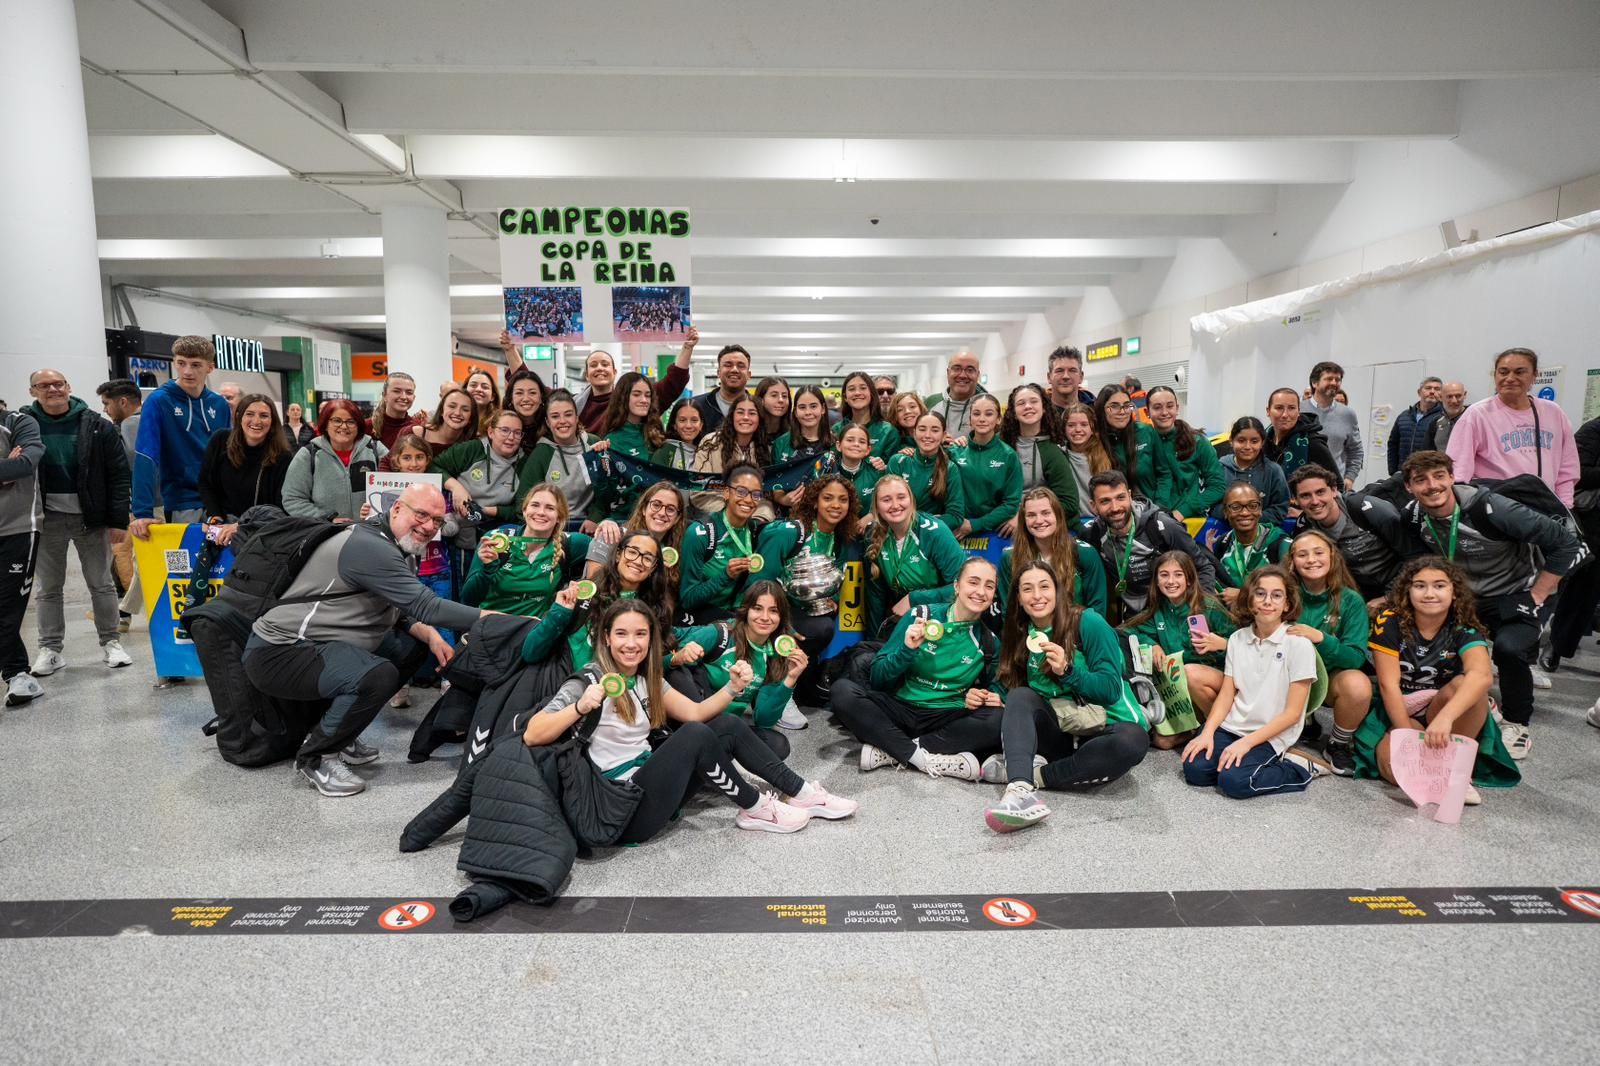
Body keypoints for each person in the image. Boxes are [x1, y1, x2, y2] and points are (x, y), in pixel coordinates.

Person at [517, 600, 851, 839]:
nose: (631, 644)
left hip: (649, 784)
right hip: (620, 809)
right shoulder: (588, 680)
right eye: (621, 634)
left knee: (726, 725)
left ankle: (802, 791)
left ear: (650, 639)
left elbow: (694, 712)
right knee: (694, 736)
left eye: (640, 635)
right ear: (606, 637)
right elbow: (533, 735)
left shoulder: (646, 677)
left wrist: (733, 689)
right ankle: (756, 807)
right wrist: (579, 708)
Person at [243, 483, 482, 796]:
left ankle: (341, 730)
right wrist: (497, 620)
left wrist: (431, 635)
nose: (428, 526)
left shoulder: (396, 544)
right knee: (378, 675)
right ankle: (316, 756)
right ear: (397, 509)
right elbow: (428, 606)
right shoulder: (369, 546)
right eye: (421, 515)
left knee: (410, 647)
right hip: (279, 651)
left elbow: (401, 611)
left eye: (436, 522)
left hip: (315, 644)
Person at [1400, 449, 1585, 760]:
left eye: (1439, 476)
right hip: (1465, 597)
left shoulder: (1492, 508)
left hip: (1516, 592)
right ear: (1409, 487)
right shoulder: (1413, 516)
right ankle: (1481, 702)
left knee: (1509, 649)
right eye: (1421, 480)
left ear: (1452, 477)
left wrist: (1538, 595)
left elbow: (1567, 543)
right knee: (1439, 646)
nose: (1431, 485)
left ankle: (1517, 723)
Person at [982, 560, 1150, 830]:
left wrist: (1068, 671)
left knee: (1132, 742)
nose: (1037, 596)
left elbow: (1109, 690)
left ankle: (1034, 775)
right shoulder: (1020, 634)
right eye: (1027, 589)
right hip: (1062, 730)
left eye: (1044, 586)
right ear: (1019, 600)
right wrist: (989, 695)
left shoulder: (1088, 622)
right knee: (1020, 697)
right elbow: (1012, 684)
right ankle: (1020, 790)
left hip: (1105, 729)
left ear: (1058, 591)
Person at [1353, 556, 1518, 800]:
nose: (1429, 593)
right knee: (1394, 772)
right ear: (1407, 591)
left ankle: (1453, 764)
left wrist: (1445, 719)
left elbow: (1482, 675)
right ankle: (1440, 773)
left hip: (1442, 707)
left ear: (1454, 592)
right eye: (1420, 585)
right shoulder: (1389, 620)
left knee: (1469, 686)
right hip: (1401, 706)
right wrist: (1405, 736)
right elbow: (1389, 684)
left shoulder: (1463, 626)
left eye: (1439, 585)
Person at [832, 557, 1003, 780]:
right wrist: (907, 649)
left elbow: (996, 688)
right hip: (899, 707)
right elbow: (878, 678)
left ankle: (892, 751)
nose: (980, 591)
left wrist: (984, 696)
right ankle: (923, 756)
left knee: (998, 718)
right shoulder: (920, 615)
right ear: (956, 585)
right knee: (842, 691)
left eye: (989, 586)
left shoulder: (989, 643)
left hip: (944, 715)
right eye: (973, 582)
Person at [1180, 567, 1326, 798]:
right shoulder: (1238, 639)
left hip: (1270, 733)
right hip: (1233, 726)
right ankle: (1240, 755)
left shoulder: (1298, 644)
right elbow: (1227, 694)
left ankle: (1298, 767)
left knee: (1235, 782)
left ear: (1287, 604)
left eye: (1277, 595)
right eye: (1260, 594)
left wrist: (1247, 743)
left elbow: (1292, 713)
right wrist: (1207, 732)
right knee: (1195, 770)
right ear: (1250, 599)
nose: (1267, 601)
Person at [23, 369, 132, 675]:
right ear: (33, 392)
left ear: (69, 386)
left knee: (102, 584)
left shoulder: (97, 425)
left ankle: (111, 643)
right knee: (48, 588)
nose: (53, 389)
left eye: (58, 383)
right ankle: (50, 649)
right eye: (44, 386)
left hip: (92, 519)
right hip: (46, 520)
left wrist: (117, 519)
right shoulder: (24, 426)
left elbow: (119, 475)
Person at [751, 474, 860, 712]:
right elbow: (758, 584)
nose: (836, 505)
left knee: (825, 622)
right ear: (814, 501)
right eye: (828, 498)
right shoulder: (789, 532)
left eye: (843, 500)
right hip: (766, 612)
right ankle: (774, 687)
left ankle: (802, 686)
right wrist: (782, 622)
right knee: (821, 629)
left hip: (802, 609)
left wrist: (833, 601)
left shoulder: (841, 540)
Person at [519, 531, 679, 686]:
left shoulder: (655, 610)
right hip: (564, 686)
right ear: (618, 555)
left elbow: (650, 666)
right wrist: (560, 612)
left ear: (653, 568)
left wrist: (673, 660)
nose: (638, 561)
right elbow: (531, 653)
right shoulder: (584, 593)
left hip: (615, 695)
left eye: (648, 558)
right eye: (632, 552)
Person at [671, 580, 811, 755]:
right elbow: (673, 665)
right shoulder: (720, 634)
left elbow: (763, 720)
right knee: (682, 673)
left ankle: (718, 753)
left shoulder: (776, 654)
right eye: (757, 608)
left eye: (773, 611)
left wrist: (790, 679)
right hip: (695, 719)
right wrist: (681, 656)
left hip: (727, 727)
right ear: (746, 610)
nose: (765, 617)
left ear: (782, 617)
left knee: (778, 745)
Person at [1121, 551, 1233, 750]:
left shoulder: (1209, 607)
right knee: (1162, 742)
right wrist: (1152, 644)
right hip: (1181, 691)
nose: (1171, 581)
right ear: (1156, 580)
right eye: (1164, 575)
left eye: (1178, 574)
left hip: (1220, 684)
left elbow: (1246, 645)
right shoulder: (1160, 609)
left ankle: (1224, 731)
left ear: (1189, 579)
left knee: (1191, 672)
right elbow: (1129, 630)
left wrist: (1222, 644)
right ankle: (1196, 728)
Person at [1080, 470, 1218, 624]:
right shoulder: (1093, 535)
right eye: (1105, 501)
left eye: (1120, 498)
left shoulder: (1162, 526)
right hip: (1136, 618)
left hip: (1175, 613)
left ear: (1130, 496)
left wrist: (1198, 615)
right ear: (1093, 506)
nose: (1115, 507)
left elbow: (1204, 568)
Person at [1285, 530, 1372, 775]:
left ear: (1333, 556)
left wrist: (1322, 639)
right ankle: (1299, 721)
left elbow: (1355, 658)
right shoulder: (1283, 594)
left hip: (1329, 678)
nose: (1311, 559)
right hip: (1285, 677)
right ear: (1292, 561)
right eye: (1302, 554)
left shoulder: (1351, 601)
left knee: (1357, 684)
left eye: (1318, 552)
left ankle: (1338, 743)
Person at [1445, 347, 1578, 505]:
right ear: (1494, 375)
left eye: (1519, 372)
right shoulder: (1476, 414)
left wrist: (1566, 506)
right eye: (1503, 372)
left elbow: (1567, 469)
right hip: (1498, 509)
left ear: (1534, 376)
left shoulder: (1554, 413)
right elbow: (1458, 471)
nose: (1510, 378)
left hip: (1547, 508)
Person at [130, 335, 230, 539]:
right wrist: (142, 512)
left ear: (209, 367)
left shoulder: (219, 405)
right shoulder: (158, 401)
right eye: (181, 363)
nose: (187, 371)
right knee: (187, 568)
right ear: (174, 362)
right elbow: (145, 455)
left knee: (223, 568)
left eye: (195, 365)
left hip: (221, 503)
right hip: (182, 501)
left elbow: (229, 456)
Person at [383, 433, 456, 708]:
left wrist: (433, 522)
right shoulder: (389, 492)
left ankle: (450, 680)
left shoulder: (438, 492)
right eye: (407, 457)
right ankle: (400, 684)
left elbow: (452, 527)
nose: (413, 463)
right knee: (399, 630)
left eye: (419, 457)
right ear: (396, 460)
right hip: (401, 572)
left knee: (444, 627)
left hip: (436, 569)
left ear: (428, 459)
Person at [461, 482, 591, 619]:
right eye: (535, 505)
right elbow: (468, 600)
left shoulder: (568, 543)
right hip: (491, 630)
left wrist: (608, 523)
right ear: (524, 511)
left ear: (559, 517)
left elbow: (603, 546)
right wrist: (487, 569)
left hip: (532, 634)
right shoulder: (496, 539)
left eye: (550, 508)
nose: (541, 512)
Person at [863, 474, 966, 636]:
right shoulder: (872, 535)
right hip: (904, 621)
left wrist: (915, 599)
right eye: (886, 500)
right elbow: (876, 597)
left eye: (901, 497)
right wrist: (873, 641)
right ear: (876, 506)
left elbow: (962, 588)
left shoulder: (934, 532)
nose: (895, 505)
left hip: (942, 618)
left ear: (911, 499)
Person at [1289, 464, 1406, 607]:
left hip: (1399, 585)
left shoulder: (1367, 509)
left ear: (1333, 490)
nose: (1314, 501)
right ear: (1295, 500)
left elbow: (1415, 555)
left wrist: (1390, 597)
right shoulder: (1304, 526)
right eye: (1305, 496)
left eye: (1320, 492)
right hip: (1354, 593)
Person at [434, 409, 528, 565]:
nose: (511, 437)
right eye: (504, 430)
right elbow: (434, 466)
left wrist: (489, 510)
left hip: (500, 532)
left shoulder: (524, 463)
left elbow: (522, 509)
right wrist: (456, 487)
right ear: (491, 432)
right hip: (460, 530)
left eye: (517, 433)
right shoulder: (472, 449)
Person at [998, 487, 1107, 620]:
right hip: (1030, 635)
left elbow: (1097, 610)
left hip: (1075, 634)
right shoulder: (1009, 558)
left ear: (1058, 515)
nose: (1039, 520)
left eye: (1046, 513)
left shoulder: (1085, 553)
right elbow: (1008, 613)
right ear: (1023, 520)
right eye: (1031, 515)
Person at [198, 394, 293, 543]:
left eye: (264, 416)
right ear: (238, 416)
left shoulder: (283, 457)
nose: (256, 421)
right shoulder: (220, 440)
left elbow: (278, 508)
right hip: (219, 523)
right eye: (249, 414)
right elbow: (206, 483)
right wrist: (215, 516)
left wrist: (239, 526)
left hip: (257, 531)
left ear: (272, 421)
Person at [1547, 413, 1600, 672]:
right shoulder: (1593, 431)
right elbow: (1578, 474)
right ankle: (1556, 646)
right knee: (1582, 590)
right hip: (1594, 524)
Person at [680, 464, 765, 623]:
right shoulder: (700, 533)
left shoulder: (755, 531)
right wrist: (725, 576)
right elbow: (688, 599)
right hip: (703, 616)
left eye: (756, 494)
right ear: (726, 492)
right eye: (741, 491)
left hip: (739, 612)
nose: (748, 499)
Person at [0, 407, 43, 706]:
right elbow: (11, 468)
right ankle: (18, 673)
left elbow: (25, 464)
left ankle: (17, 673)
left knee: (7, 610)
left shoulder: (18, 422)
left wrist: (13, 468)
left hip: (17, 530)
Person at [283, 399, 386, 523]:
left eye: (351, 421)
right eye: (336, 420)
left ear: (358, 425)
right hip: (327, 534)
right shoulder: (309, 455)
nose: (344, 426)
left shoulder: (375, 449)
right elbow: (292, 499)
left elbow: (402, 480)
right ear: (326, 424)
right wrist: (325, 518)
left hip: (371, 532)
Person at [95, 378, 143, 629]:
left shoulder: (131, 424)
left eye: (106, 403)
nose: (105, 409)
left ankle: (124, 610)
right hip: (141, 505)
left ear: (123, 402)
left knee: (138, 560)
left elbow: (133, 462)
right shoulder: (145, 421)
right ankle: (123, 610)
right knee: (131, 559)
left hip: (143, 505)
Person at [586, 482, 690, 595]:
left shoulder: (678, 550)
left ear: (677, 518)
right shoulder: (609, 536)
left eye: (670, 509)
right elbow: (594, 591)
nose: (662, 513)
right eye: (656, 505)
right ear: (644, 508)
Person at [516, 390, 598, 532]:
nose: (562, 421)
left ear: (577, 418)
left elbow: (605, 491)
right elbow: (524, 501)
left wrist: (595, 517)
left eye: (568, 414)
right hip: (552, 528)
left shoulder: (594, 444)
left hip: (589, 526)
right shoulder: (542, 453)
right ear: (548, 422)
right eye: (555, 416)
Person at [1000, 383, 1076, 529]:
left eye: (1034, 401)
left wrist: (1024, 518)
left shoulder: (1052, 452)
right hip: (1000, 525)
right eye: (1021, 403)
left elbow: (1069, 503)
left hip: (1040, 527)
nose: (1028, 406)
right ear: (1013, 413)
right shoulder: (999, 445)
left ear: (1044, 409)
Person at [1147, 385, 1226, 522]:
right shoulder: (1142, 444)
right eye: (1157, 407)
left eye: (1170, 406)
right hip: (1151, 520)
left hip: (1189, 521)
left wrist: (1184, 510)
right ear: (1147, 411)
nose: (1164, 412)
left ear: (1177, 408)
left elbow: (1217, 487)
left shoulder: (1198, 442)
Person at [693, 393, 776, 521]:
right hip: (715, 512)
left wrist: (757, 519)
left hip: (753, 513)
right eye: (740, 412)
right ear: (732, 417)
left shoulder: (767, 449)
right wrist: (732, 512)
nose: (746, 417)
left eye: (752, 413)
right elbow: (698, 492)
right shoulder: (710, 443)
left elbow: (766, 498)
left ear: (760, 419)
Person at [596, 371, 666, 519]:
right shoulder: (611, 441)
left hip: (658, 516)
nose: (644, 400)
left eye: (648, 395)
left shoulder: (657, 435)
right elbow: (605, 494)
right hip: (623, 519)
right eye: (637, 394)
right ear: (623, 397)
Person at [952, 394, 1022, 539]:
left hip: (993, 532)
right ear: (969, 419)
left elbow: (1011, 504)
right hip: (957, 529)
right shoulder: (955, 451)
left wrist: (975, 525)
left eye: (989, 414)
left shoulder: (1008, 456)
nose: (982, 419)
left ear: (998, 419)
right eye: (976, 414)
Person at [887, 411, 965, 532]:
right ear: (914, 433)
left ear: (944, 435)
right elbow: (887, 505)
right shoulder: (898, 462)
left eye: (935, 430)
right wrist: (931, 519)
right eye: (922, 429)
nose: (927, 435)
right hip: (896, 533)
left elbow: (955, 516)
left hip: (930, 536)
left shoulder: (950, 468)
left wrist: (923, 522)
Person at [1214, 483, 1288, 606]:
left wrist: (1242, 596)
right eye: (1236, 507)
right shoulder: (1222, 543)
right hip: (1233, 621)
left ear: (1260, 510)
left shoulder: (1280, 544)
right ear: (1226, 512)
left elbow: (1291, 592)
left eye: (1253, 506)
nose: (1244, 513)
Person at [1212, 416, 1289, 528]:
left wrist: (1252, 517)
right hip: (1224, 534)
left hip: (1264, 537)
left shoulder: (1274, 471)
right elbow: (1210, 505)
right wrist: (1231, 514)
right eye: (1241, 441)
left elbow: (1280, 508)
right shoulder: (1219, 468)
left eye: (1254, 441)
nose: (1248, 447)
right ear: (1231, 441)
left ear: (1262, 442)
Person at [1094, 384, 1165, 503]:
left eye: (1127, 406)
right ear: (1102, 409)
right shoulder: (1095, 441)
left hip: (1151, 510)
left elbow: (1164, 474)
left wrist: (1160, 507)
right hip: (1115, 512)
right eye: (1114, 406)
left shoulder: (1145, 432)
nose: (1122, 412)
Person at [1301, 362, 1363, 488]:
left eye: (1338, 379)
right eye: (1329, 379)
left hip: (1334, 485)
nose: (1334, 383)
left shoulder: (1348, 414)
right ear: (1314, 383)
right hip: (1300, 482)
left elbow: (1356, 450)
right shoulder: (1298, 410)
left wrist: (1349, 478)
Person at [1264, 386, 1338, 485]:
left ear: (1298, 411)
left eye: (1291, 408)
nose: (1285, 414)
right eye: (1279, 408)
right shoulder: (1260, 441)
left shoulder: (1312, 443)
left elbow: (1337, 484)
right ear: (1268, 411)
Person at [815, 422, 884, 516]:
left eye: (862, 442)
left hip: (866, 527)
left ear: (868, 450)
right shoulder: (827, 469)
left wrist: (872, 515)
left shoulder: (876, 470)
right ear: (839, 446)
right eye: (850, 440)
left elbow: (884, 501)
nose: (856, 444)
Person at [689, 342, 754, 440]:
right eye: (728, 365)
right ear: (718, 372)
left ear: (749, 374)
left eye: (741, 366)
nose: (734, 370)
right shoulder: (697, 405)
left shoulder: (758, 408)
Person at [1061, 403, 1111, 518]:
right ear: (1064, 429)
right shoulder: (1059, 455)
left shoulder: (1104, 455)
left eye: (1084, 424)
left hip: (1101, 520)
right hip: (1074, 522)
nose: (1078, 430)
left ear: (1092, 428)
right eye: (1071, 425)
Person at [1386, 376, 1444, 474]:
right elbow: (1393, 444)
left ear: (1442, 394)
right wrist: (1393, 471)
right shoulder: (1404, 416)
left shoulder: (1443, 418)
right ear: (1419, 392)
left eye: (1437, 389)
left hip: (1429, 474)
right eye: (1428, 388)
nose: (1432, 391)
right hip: (1404, 473)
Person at [834, 371, 897, 458]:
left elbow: (893, 468)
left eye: (863, 388)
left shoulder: (889, 431)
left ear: (871, 394)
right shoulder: (836, 430)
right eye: (852, 389)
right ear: (845, 397)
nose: (857, 393)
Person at [924, 349, 985, 439]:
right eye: (957, 369)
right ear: (948, 372)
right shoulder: (931, 402)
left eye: (970, 370)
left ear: (977, 375)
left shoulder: (988, 406)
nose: (963, 375)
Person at [414, 388, 479, 459]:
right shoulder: (416, 434)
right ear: (442, 410)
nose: (457, 413)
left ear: (471, 417)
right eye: (452, 406)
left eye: (465, 410)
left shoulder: (473, 446)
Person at [370, 373, 423, 451]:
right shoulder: (367, 427)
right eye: (397, 391)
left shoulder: (417, 428)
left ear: (414, 397)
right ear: (385, 395)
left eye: (409, 392)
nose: (403, 397)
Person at [653, 399, 702, 470]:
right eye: (682, 420)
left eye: (694, 420)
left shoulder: (706, 452)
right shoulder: (664, 452)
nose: (688, 426)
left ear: (701, 425)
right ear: (674, 425)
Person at [504, 369, 547, 449]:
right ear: (511, 399)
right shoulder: (500, 426)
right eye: (519, 393)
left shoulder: (551, 427)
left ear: (541, 397)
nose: (526, 399)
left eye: (532, 393)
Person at [1047, 345, 1096, 414]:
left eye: (1072, 370)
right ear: (1049, 377)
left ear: (1081, 377)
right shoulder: (1039, 414)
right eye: (1059, 371)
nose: (1066, 376)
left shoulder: (1097, 411)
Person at [1431, 381, 1468, 453]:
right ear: (1440, 397)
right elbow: (1428, 452)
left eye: (1458, 396)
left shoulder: (1474, 419)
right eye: (1449, 396)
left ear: (1465, 395)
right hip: (1441, 463)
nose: (1454, 401)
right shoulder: (1435, 422)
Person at [754, 376, 791, 441]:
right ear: (761, 399)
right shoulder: (751, 430)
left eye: (784, 396)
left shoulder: (794, 432)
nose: (781, 400)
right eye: (774, 395)